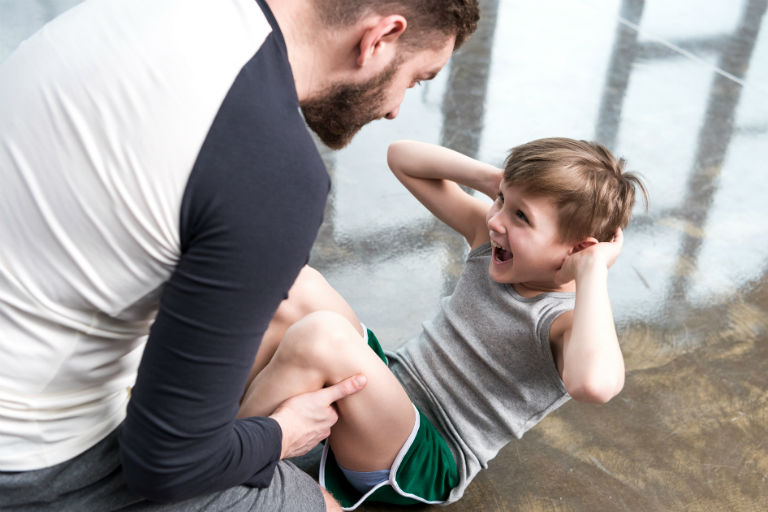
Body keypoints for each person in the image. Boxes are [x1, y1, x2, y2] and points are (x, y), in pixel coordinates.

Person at [0, 0, 479, 511]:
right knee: (317, 501)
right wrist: (280, 434)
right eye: (414, 79)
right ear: (380, 37)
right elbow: (165, 464)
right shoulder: (272, 168)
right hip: (31, 459)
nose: (395, 109)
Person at [237, 137, 649, 509]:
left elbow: (594, 384)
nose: (497, 220)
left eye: (521, 216)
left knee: (321, 336)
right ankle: (228, 419)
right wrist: (496, 181)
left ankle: (220, 462)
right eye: (501, 201)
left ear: (579, 249)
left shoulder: (563, 322)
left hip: (424, 456)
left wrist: (592, 271)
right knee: (297, 285)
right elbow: (401, 157)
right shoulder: (491, 242)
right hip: (391, 387)